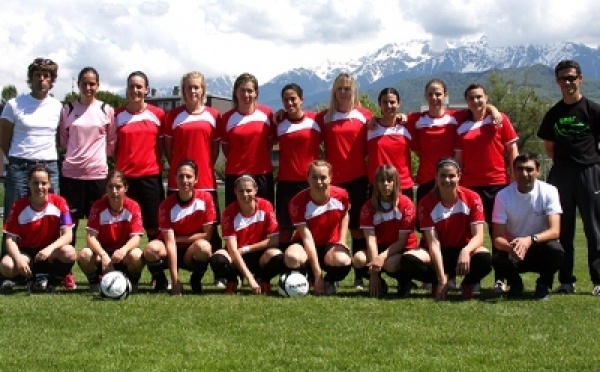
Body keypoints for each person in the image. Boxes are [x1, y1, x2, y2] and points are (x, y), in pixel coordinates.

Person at [537, 59, 600, 296]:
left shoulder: (593, 110)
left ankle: (598, 279)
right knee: (563, 230)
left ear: (580, 79)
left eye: (572, 78)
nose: (568, 82)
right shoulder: (554, 113)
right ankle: (566, 280)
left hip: (589, 172)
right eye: (563, 78)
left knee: (594, 229)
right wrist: (564, 167)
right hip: (562, 174)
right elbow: (549, 147)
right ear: (557, 82)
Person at [455, 83, 519, 293]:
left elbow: (512, 150)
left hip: (497, 184)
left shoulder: (500, 119)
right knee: (472, 234)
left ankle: (501, 278)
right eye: (472, 98)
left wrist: (516, 178)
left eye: (480, 97)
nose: (476, 101)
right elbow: (458, 159)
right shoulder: (461, 126)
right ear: (467, 102)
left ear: (486, 97)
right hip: (470, 188)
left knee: (497, 233)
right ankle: (476, 277)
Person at [163, 71, 224, 285]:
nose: (193, 91)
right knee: (175, 228)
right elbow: (169, 150)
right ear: (183, 91)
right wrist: (181, 172)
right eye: (189, 87)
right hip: (177, 181)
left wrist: (203, 169)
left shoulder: (214, 116)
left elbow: (215, 149)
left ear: (203, 90)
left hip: (205, 182)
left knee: (211, 231)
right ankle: (174, 274)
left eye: (197, 87)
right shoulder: (172, 116)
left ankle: (219, 274)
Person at [59, 66, 116, 290]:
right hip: (71, 175)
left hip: (97, 176)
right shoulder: (68, 109)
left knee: (97, 227)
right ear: (79, 85)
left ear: (98, 85)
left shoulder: (106, 109)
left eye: (93, 83)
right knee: (69, 227)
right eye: (84, 83)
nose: (89, 87)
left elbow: (111, 143)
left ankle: (100, 271)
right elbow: (63, 140)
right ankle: (66, 272)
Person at [0, 58, 62, 262]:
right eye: (38, 75)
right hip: (20, 165)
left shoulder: (57, 107)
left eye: (46, 76)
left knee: (52, 217)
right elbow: (4, 138)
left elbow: (60, 138)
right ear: (31, 78)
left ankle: (52, 268)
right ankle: (8, 268)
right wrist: (17, 159)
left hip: (49, 166)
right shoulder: (14, 104)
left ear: (52, 80)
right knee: (13, 216)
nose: (42, 80)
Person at [315, 73, 372, 290]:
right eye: (339, 88)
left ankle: (359, 275)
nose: (343, 92)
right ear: (334, 92)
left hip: (358, 178)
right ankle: (333, 273)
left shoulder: (365, 116)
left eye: (347, 88)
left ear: (354, 91)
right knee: (332, 227)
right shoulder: (325, 117)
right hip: (333, 183)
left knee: (357, 230)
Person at [114, 71, 166, 289]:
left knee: (154, 229)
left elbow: (164, 148)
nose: (135, 91)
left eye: (139, 87)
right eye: (131, 86)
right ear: (127, 89)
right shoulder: (116, 116)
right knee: (126, 229)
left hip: (150, 179)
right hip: (125, 181)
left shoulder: (159, 115)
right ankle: (127, 274)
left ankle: (158, 274)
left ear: (147, 90)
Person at [415, 158, 492, 300]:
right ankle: (436, 282)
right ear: (436, 177)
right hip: (439, 251)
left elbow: (479, 236)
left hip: (463, 251)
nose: (447, 180)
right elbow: (433, 242)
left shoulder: (472, 198)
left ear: (459, 176)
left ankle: (467, 284)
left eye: (451, 176)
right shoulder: (425, 202)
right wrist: (441, 278)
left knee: (484, 258)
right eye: (442, 175)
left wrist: (466, 251)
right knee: (409, 260)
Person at [492, 153, 564, 300]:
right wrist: (511, 248)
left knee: (556, 250)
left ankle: (543, 285)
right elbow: (497, 238)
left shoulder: (550, 191)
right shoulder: (503, 196)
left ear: (538, 171)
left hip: (540, 246)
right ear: (513, 171)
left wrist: (529, 240)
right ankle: (516, 284)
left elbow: (555, 231)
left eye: (529, 169)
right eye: (519, 169)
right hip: (516, 249)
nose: (524, 174)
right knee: (498, 256)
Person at [143, 160, 217, 295]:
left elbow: (207, 235)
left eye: (189, 176)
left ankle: (195, 281)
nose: (185, 180)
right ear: (175, 178)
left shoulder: (206, 199)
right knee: (150, 249)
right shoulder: (166, 205)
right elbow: (170, 244)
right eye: (181, 176)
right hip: (169, 250)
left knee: (205, 247)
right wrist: (175, 281)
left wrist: (177, 239)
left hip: (191, 251)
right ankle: (161, 282)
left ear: (196, 179)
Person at [0, 165, 75, 293]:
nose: (40, 187)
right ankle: (26, 279)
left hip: (49, 252)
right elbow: (10, 240)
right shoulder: (18, 206)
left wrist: (49, 249)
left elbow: (68, 235)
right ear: (28, 183)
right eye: (35, 183)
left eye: (43, 183)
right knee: (6, 265)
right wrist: (18, 260)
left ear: (49, 184)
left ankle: (52, 281)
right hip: (27, 254)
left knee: (69, 252)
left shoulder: (60, 202)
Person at [285, 160, 352, 295]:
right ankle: (307, 277)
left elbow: (345, 214)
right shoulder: (297, 202)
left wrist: (342, 239)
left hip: (329, 245)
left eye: (323, 177)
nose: (319, 182)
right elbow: (307, 238)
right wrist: (318, 275)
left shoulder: (342, 195)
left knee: (343, 260)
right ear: (308, 178)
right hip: (305, 244)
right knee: (292, 257)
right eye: (314, 177)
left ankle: (329, 281)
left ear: (330, 178)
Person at [210, 175, 284, 295]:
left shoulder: (266, 206)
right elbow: (233, 250)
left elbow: (274, 241)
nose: (245, 194)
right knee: (217, 259)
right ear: (235, 191)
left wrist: (246, 249)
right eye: (241, 191)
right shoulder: (229, 213)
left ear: (256, 190)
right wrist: (250, 280)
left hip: (257, 253)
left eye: (249, 191)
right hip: (236, 255)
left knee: (278, 256)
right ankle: (232, 280)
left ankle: (263, 279)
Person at [77, 170, 145, 293]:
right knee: (84, 255)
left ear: (126, 188)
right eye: (110, 187)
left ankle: (132, 282)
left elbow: (136, 238)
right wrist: (103, 255)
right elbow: (90, 237)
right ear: (106, 188)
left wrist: (123, 250)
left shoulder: (133, 206)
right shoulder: (98, 206)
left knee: (137, 255)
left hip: (123, 254)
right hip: (103, 254)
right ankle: (95, 283)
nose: (114, 191)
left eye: (118, 187)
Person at [357, 165, 419, 298]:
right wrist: (374, 274)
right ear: (376, 183)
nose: (385, 184)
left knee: (390, 264)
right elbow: (371, 240)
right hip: (379, 247)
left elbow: (402, 242)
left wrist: (382, 257)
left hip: (402, 248)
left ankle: (404, 282)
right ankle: (380, 285)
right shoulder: (368, 207)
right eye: (381, 180)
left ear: (396, 182)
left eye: (389, 180)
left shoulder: (406, 205)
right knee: (358, 259)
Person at [274, 83, 321, 246]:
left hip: (310, 183)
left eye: (293, 99)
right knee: (284, 230)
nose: (290, 103)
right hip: (285, 183)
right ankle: (284, 266)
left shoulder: (316, 119)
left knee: (311, 227)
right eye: (286, 100)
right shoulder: (278, 123)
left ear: (302, 99)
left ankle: (312, 265)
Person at [218, 73, 275, 207]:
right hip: (235, 174)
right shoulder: (227, 118)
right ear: (235, 93)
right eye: (242, 90)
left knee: (264, 216)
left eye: (250, 91)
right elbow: (226, 149)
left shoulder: (267, 114)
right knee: (235, 218)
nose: (246, 94)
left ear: (256, 93)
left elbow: (270, 143)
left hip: (262, 173)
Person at [367, 88, 415, 198]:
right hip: (377, 186)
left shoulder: (407, 127)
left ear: (399, 104)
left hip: (403, 185)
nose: (388, 106)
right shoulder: (370, 128)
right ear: (379, 104)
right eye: (385, 102)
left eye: (392, 102)